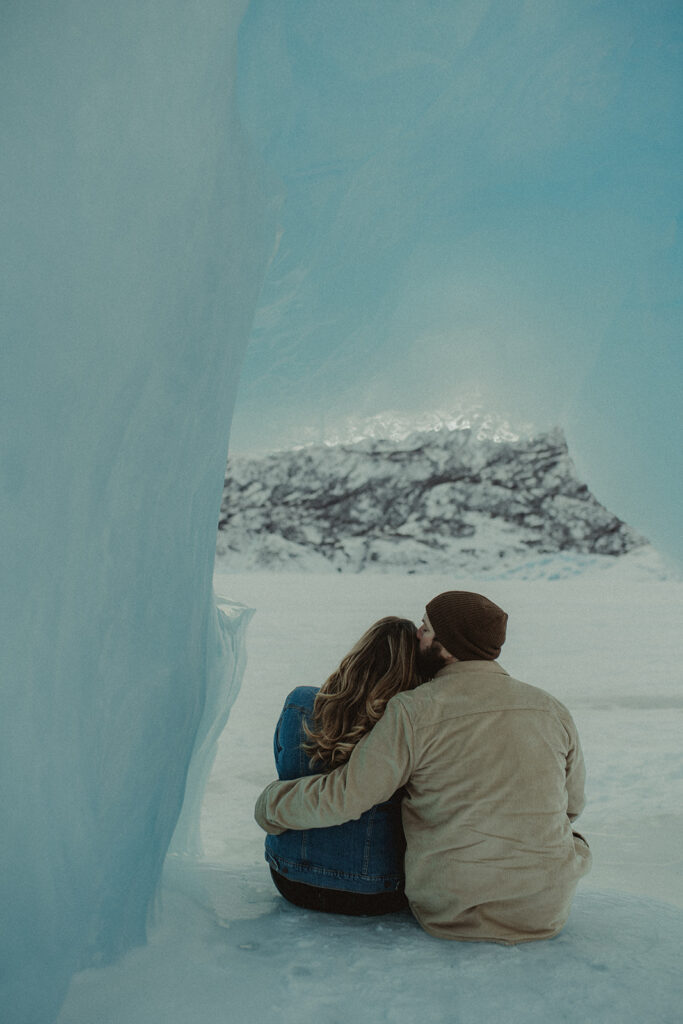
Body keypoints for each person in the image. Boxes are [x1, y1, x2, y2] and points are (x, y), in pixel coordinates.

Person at [256, 591, 592, 944]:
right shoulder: (552, 709)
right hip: (545, 910)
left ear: (448, 647)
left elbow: (347, 797)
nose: (418, 634)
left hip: (452, 912)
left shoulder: (413, 710)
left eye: (426, 629)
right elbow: (572, 807)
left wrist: (272, 805)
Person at [264, 616, 421, 916]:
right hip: (375, 890)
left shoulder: (300, 704)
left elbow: (285, 770)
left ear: (358, 654)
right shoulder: (406, 725)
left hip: (291, 878)